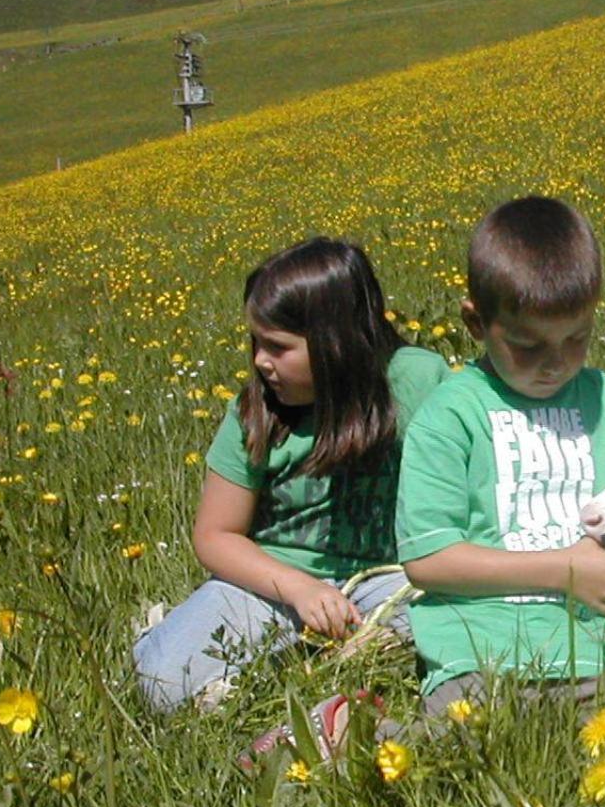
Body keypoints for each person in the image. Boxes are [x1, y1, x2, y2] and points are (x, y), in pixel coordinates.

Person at [134, 237, 450, 713]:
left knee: (467, 619)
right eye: (257, 342)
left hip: (392, 578)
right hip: (273, 586)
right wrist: (299, 589)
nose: (261, 361)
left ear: (337, 344)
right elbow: (215, 535)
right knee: (161, 682)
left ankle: (325, 662)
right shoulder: (255, 413)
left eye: (278, 347)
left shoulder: (417, 381)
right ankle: (181, 636)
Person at [393, 195, 605, 721]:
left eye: (576, 338)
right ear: (475, 323)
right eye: (526, 344)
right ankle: (343, 730)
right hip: (479, 653)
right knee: (444, 761)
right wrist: (564, 569)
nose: (554, 363)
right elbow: (427, 560)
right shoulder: (450, 416)